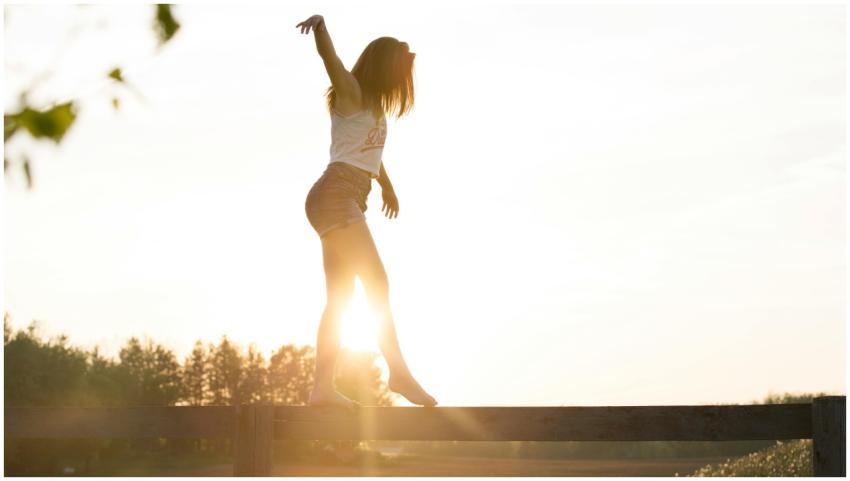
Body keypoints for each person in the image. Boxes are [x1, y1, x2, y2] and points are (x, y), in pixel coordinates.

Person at [296, 14, 437, 409]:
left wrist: (386, 184)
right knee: (378, 281)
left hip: (344, 198)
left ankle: (321, 390)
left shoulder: (373, 107)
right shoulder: (352, 92)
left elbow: (369, 154)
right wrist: (321, 30)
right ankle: (399, 372)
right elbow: (331, 61)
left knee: (339, 299)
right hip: (335, 194)